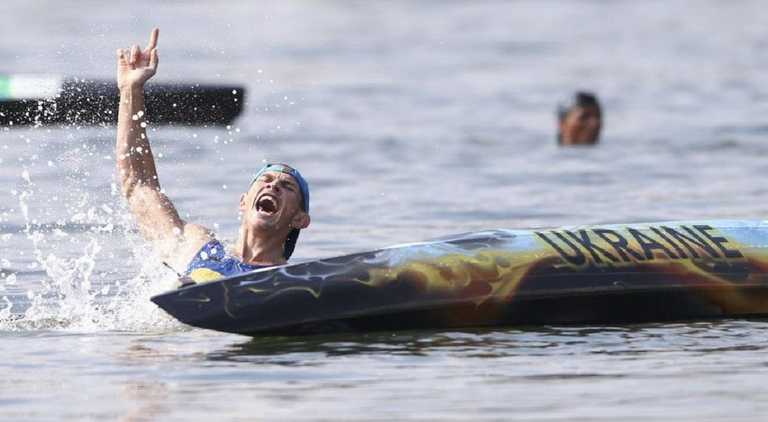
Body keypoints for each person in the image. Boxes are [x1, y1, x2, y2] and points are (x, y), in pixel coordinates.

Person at [115, 28, 310, 284]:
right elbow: (139, 185)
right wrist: (131, 89)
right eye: (265, 180)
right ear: (243, 201)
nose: (273, 185)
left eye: (287, 187)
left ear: (299, 218)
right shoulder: (194, 246)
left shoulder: (295, 281)